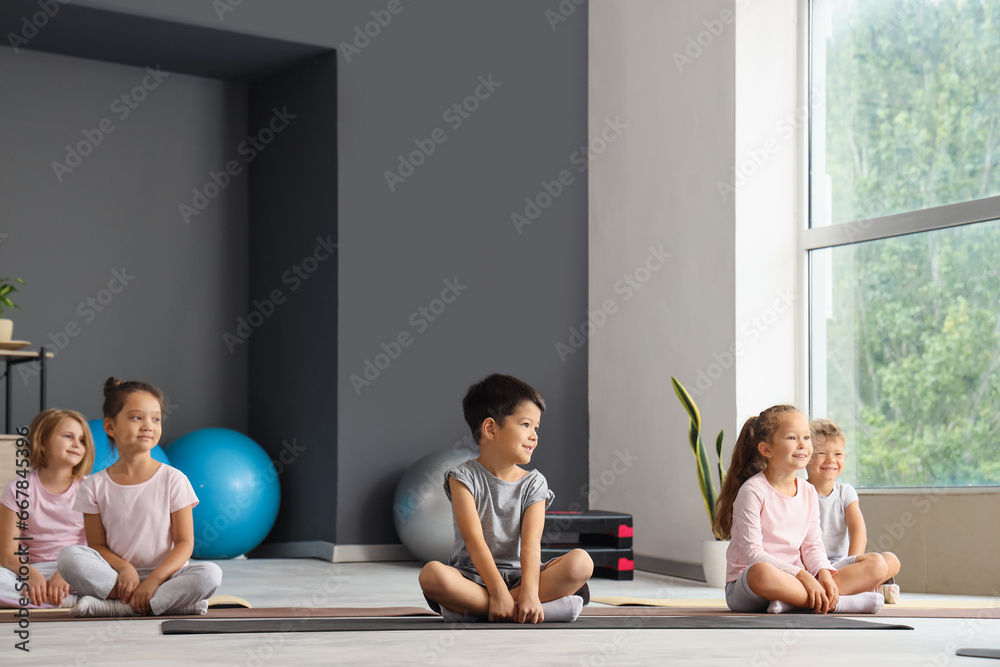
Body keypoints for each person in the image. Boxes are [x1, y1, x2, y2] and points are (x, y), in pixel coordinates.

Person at [418, 374, 593, 623]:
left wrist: (530, 591)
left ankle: (488, 609)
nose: (534, 435)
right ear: (490, 428)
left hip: (525, 577)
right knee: (431, 575)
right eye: (525, 425)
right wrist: (497, 590)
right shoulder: (462, 478)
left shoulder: (535, 482)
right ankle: (539, 608)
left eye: (536, 427)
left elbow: (531, 545)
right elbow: (474, 540)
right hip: (473, 576)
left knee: (581, 563)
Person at [58, 378, 221, 617]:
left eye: (155, 419)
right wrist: (124, 568)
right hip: (117, 577)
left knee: (211, 574)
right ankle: (167, 604)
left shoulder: (173, 479)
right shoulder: (94, 485)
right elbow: (96, 546)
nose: (148, 425)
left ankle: (117, 607)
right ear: (110, 427)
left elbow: (185, 543)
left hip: (166, 576)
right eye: (137, 418)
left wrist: (154, 580)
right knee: (68, 558)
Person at [713, 404, 887, 614]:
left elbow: (812, 546)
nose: (803, 445)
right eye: (792, 438)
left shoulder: (808, 491)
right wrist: (803, 576)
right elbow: (753, 555)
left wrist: (823, 572)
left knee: (877, 564)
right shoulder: (753, 491)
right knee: (760, 572)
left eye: (806, 438)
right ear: (766, 449)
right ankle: (839, 603)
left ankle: (791, 602)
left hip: (797, 580)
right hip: (751, 585)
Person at [0, 409, 94, 608]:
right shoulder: (18, 489)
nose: (77, 444)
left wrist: (68, 574)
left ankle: (41, 601)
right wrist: (30, 575)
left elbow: (98, 547)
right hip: (34, 572)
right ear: (42, 442)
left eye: (82, 440)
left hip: (81, 570)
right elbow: (7, 553)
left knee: (116, 573)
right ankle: (71, 603)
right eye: (68, 436)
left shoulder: (91, 489)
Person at [806, 418, 901, 603]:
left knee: (891, 560)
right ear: (807, 456)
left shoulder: (845, 492)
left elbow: (858, 531)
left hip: (842, 565)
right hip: (813, 567)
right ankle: (866, 589)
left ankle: (849, 587)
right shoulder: (800, 490)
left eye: (838, 454)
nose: (831, 460)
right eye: (822, 453)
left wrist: (852, 564)